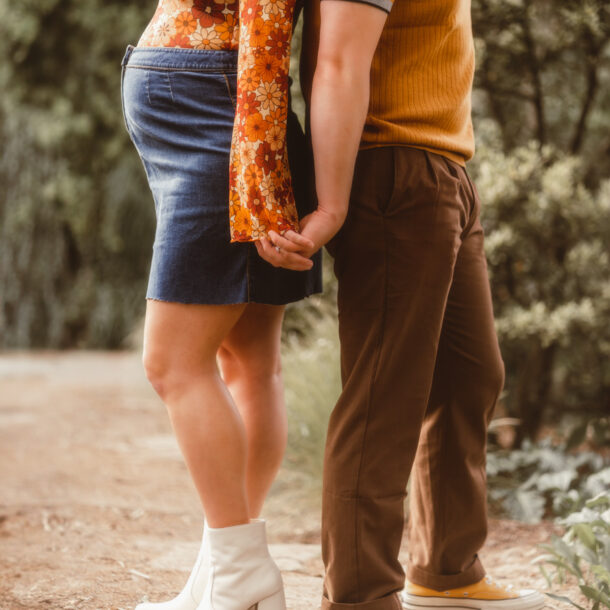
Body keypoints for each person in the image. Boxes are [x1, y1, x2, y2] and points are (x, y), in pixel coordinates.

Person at [257, 1, 547, 609]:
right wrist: (331, 207)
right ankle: (361, 594)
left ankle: (446, 570)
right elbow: (335, 63)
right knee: (383, 397)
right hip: (394, 168)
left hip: (443, 167)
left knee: (469, 376)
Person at [120, 1, 322, 608]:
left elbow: (267, 24)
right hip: (221, 118)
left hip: (225, 126)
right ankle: (225, 569)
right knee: (249, 364)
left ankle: (238, 568)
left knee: (173, 365)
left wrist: (258, 182)